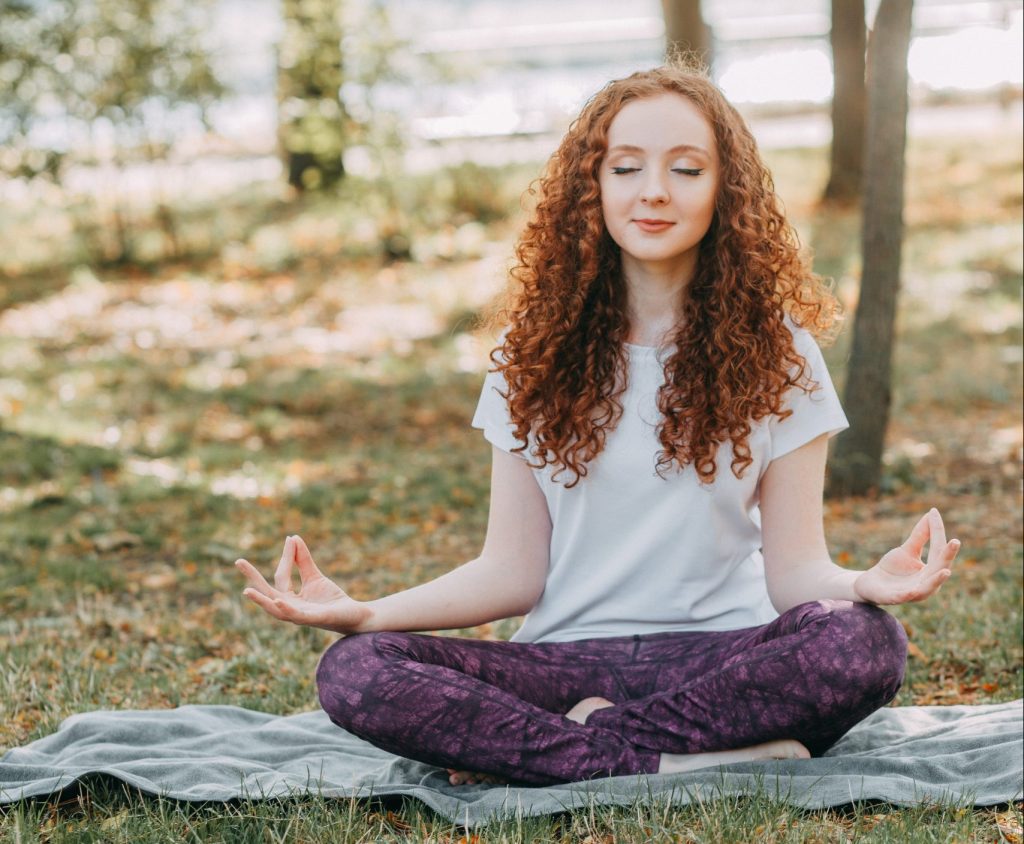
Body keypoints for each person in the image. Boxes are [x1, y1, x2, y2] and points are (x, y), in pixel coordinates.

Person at [234, 64, 959, 787]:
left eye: (686, 168)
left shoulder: (781, 353)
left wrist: (863, 583)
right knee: (356, 670)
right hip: (560, 664)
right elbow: (510, 572)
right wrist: (366, 615)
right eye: (626, 167)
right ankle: (688, 758)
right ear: (593, 187)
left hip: (725, 660)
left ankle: (574, 748)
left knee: (865, 642)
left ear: (725, 190)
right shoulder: (531, 356)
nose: (654, 191)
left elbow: (797, 572)